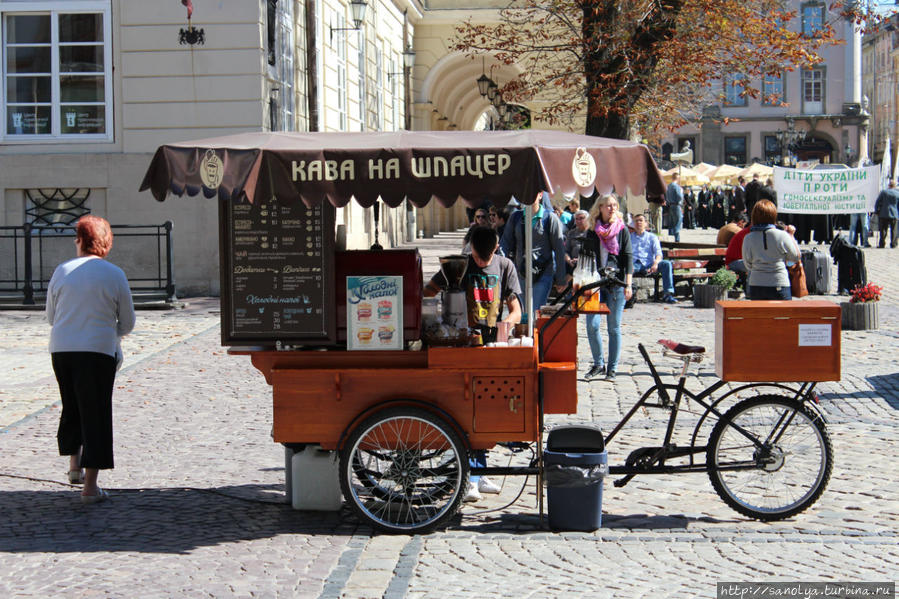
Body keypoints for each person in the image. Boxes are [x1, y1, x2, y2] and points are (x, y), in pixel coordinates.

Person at [424, 225, 522, 502]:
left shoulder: (505, 266)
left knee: (485, 408)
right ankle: (469, 476)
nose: (480, 262)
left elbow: (516, 309)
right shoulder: (460, 266)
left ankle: (479, 472)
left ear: (495, 248)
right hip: (462, 345)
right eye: (477, 257)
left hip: (490, 344)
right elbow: (430, 288)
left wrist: (508, 322)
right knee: (465, 409)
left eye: (484, 258)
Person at [46, 215, 136, 504]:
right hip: (97, 350)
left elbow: (51, 315)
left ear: (81, 241)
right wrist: (112, 333)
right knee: (95, 412)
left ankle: (74, 466)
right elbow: (128, 321)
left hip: (62, 349)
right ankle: (90, 487)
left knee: (72, 406)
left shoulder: (62, 271)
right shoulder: (113, 274)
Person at [578, 194, 633, 381]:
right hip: (595, 283)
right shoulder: (593, 230)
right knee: (592, 326)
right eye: (608, 205)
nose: (612, 209)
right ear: (599, 208)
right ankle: (598, 364)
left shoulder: (621, 230)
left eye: (614, 205)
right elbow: (585, 255)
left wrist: (628, 284)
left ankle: (612, 368)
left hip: (616, 283)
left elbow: (628, 258)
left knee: (613, 327)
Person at [500, 191, 567, 321]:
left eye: (533, 193)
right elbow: (505, 243)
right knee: (522, 313)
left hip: (543, 273)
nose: (529, 196)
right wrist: (501, 266)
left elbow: (559, 250)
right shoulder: (516, 217)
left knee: (534, 313)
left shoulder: (550, 218)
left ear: (540, 195)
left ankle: (533, 340)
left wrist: (561, 278)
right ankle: (525, 340)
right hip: (520, 273)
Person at [742, 200, 800, 300]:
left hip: (757, 283)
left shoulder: (748, 238)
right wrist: (791, 236)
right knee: (782, 315)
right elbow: (795, 257)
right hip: (779, 282)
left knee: (760, 315)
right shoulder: (782, 235)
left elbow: (747, 264)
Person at [630, 213, 677, 304]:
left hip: (649, 263)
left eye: (641, 220)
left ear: (646, 224)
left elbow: (658, 253)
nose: (638, 222)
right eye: (636, 221)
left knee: (666, 264)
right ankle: (628, 294)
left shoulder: (652, 237)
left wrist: (655, 263)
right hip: (634, 264)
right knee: (625, 268)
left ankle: (668, 294)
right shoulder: (629, 237)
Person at [874, 179, 899, 248]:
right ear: (894, 186)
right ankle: (893, 244)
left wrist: (876, 211)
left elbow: (877, 202)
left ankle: (882, 244)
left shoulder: (884, 192)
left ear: (889, 185)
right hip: (894, 214)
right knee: (894, 230)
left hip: (883, 213)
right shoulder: (897, 193)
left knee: (883, 230)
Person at [665, 172, 684, 242]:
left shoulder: (668, 186)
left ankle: (672, 237)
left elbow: (666, 197)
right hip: (676, 205)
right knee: (678, 222)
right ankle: (677, 239)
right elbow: (679, 197)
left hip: (671, 205)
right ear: (678, 178)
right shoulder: (676, 187)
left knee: (672, 222)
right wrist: (681, 193)